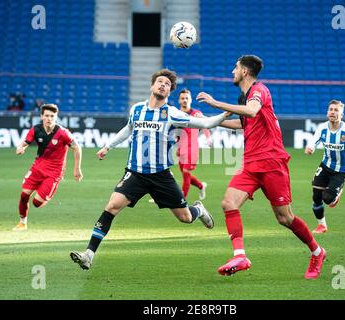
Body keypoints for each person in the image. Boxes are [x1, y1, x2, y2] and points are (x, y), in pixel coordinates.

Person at [70, 69, 229, 270]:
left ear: (169, 92)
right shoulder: (137, 109)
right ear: (152, 86)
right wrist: (108, 146)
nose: (163, 85)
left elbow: (205, 122)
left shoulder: (172, 113)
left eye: (167, 84)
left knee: (185, 218)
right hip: (135, 173)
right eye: (160, 82)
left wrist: (225, 113)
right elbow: (128, 128)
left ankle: (199, 209)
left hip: (161, 175)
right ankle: (89, 254)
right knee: (112, 206)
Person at [196, 55, 326, 279]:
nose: (232, 71)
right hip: (250, 164)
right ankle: (240, 255)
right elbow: (243, 123)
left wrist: (216, 103)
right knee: (228, 203)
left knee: (284, 218)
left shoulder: (259, 90)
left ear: (245, 71)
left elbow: (252, 111)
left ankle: (317, 251)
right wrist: (209, 121)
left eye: (235, 67)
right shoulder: (243, 97)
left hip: (272, 162)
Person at [13, 104, 83, 231]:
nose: (49, 118)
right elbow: (25, 143)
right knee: (24, 195)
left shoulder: (63, 133)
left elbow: (77, 147)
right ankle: (22, 223)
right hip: (37, 168)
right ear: (41, 116)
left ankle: (47, 191)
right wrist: (20, 147)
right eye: (46, 116)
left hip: (54, 172)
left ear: (56, 117)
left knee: (37, 203)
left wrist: (77, 168)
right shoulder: (35, 130)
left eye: (52, 116)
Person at [305, 100, 345, 233]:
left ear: (342, 115)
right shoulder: (322, 128)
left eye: (336, 110)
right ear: (327, 112)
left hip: (342, 169)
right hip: (326, 164)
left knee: (327, 199)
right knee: (316, 196)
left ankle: (336, 194)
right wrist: (310, 147)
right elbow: (314, 140)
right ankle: (321, 225)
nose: (332, 112)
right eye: (331, 109)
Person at [176, 89, 212, 200]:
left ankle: (182, 200)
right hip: (181, 149)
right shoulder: (176, 114)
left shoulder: (196, 114)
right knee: (185, 175)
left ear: (191, 100)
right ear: (179, 100)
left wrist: (208, 138)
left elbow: (205, 124)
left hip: (192, 148)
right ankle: (201, 186)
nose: (185, 100)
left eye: (187, 98)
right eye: (182, 98)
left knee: (186, 172)